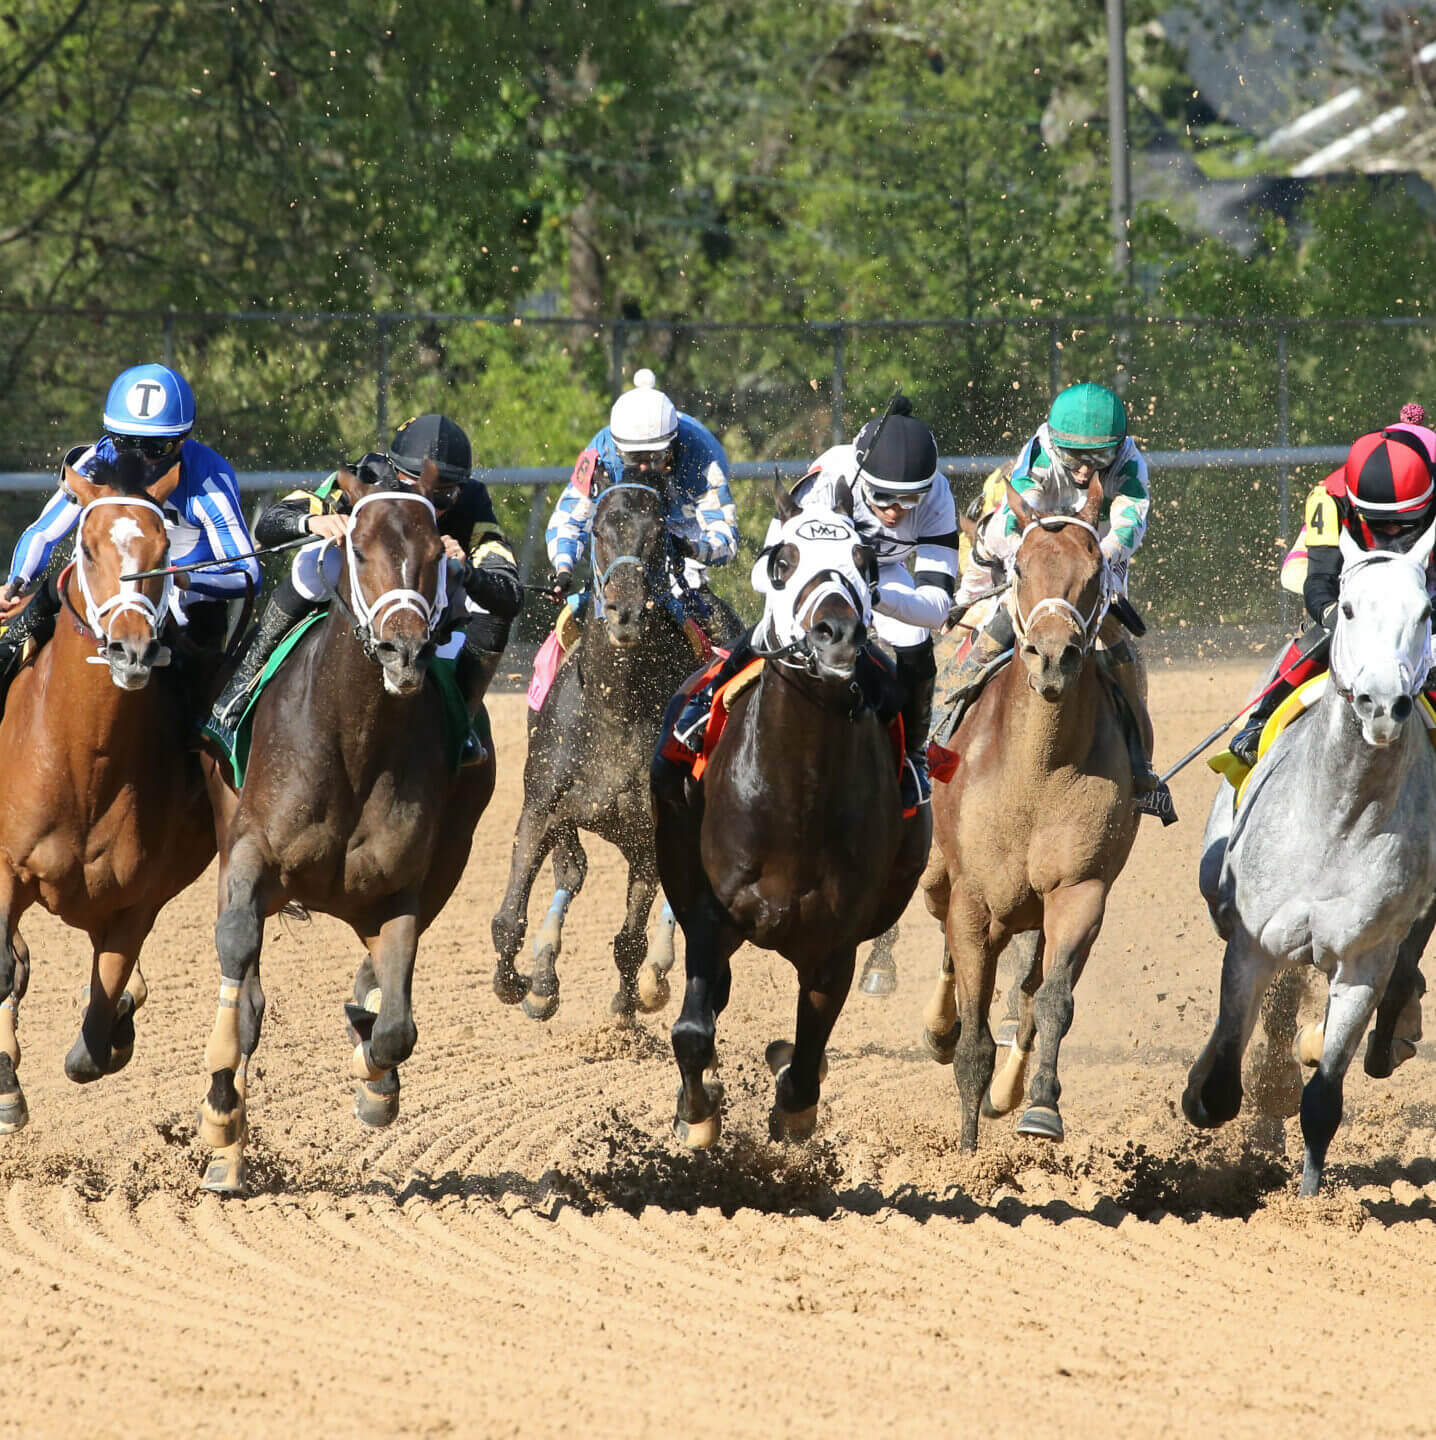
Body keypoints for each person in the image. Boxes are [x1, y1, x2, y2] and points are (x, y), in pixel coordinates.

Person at [667, 395, 957, 812]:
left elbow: (937, 604)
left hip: (880, 573)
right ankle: (705, 700)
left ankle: (913, 756)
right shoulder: (831, 477)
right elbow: (766, 574)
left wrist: (869, 594)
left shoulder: (939, 494)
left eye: (911, 500)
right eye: (882, 496)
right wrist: (842, 591)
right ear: (861, 475)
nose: (896, 511)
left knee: (915, 639)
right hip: (814, 567)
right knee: (774, 628)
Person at [208, 412, 522, 734]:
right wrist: (312, 521)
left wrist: (467, 570)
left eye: (442, 495)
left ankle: (464, 721)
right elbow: (270, 522)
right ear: (393, 471)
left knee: (489, 605)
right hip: (369, 586)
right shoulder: (366, 476)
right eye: (409, 486)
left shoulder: (473, 501)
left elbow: (510, 593)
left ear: (461, 489)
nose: (425, 500)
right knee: (314, 564)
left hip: (431, 591)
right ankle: (243, 679)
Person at [0, 362, 260, 713]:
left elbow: (248, 573)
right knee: (41, 604)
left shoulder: (209, 480)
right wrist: (16, 581)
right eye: (126, 443)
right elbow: (43, 533)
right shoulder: (96, 460)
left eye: (155, 448)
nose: (140, 459)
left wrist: (184, 578)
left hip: (187, 607)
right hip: (105, 595)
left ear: (182, 441)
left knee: (203, 707)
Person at [946, 381, 1158, 792]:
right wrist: (977, 595)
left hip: (1096, 556)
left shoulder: (1130, 463)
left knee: (1118, 642)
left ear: (1118, 448)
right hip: (1039, 550)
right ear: (1056, 445)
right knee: (994, 622)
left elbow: (1130, 524)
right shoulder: (1038, 455)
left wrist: (1092, 559)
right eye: (1074, 458)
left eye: (1099, 458)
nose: (1085, 470)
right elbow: (1012, 523)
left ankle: (1140, 764)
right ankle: (940, 725)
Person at [1228, 424, 1436, 766]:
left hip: (1425, 584)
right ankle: (1259, 721)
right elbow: (1320, 579)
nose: (1392, 531)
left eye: (1406, 522)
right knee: (1323, 634)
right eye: (1379, 523)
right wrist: (1334, 615)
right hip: (1353, 581)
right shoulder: (1329, 498)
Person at [543, 369, 741, 646]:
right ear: (617, 449)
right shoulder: (600, 453)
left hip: (685, 526)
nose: (644, 467)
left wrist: (693, 548)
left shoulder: (701, 457)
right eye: (634, 458)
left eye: (655, 457)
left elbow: (725, 536)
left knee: (717, 623)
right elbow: (569, 519)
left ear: (672, 446)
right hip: (624, 531)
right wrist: (564, 567)